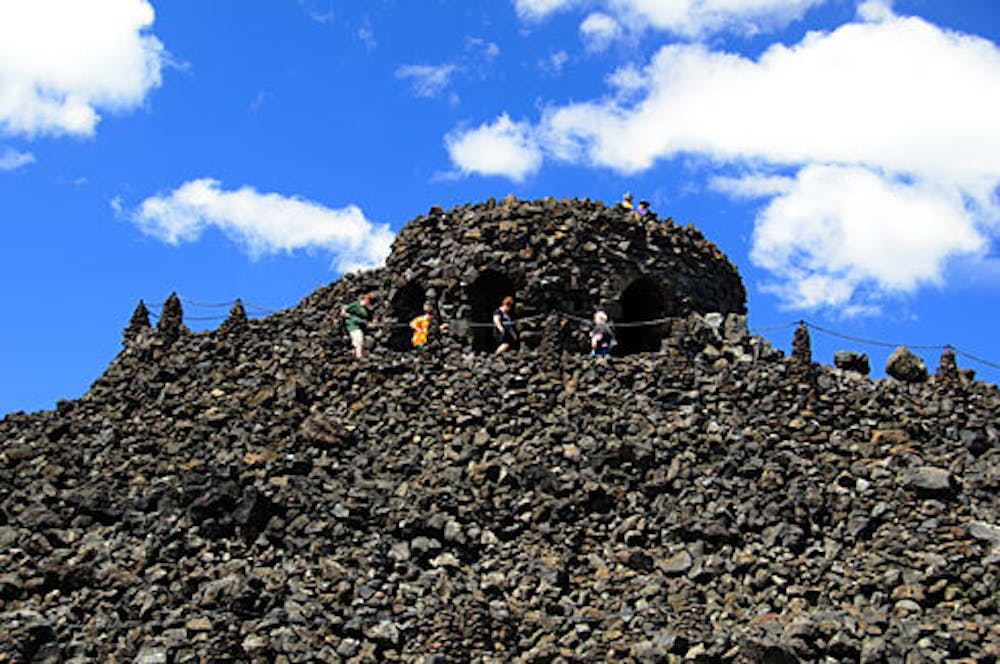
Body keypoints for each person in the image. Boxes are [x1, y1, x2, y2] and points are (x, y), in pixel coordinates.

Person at [340, 293, 373, 359]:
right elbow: (344, 309)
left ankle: (356, 354)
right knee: (358, 339)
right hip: (352, 325)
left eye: (369, 301)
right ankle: (358, 355)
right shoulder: (356, 304)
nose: (367, 302)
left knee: (359, 339)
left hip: (359, 326)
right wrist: (346, 315)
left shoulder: (365, 310)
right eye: (367, 300)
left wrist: (367, 323)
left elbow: (364, 319)